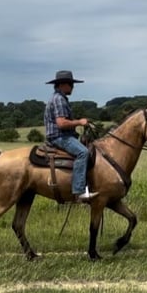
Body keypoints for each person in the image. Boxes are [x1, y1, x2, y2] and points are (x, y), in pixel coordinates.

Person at [44, 70, 99, 203]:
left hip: (63, 135)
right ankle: (79, 191)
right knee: (83, 152)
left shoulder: (59, 98)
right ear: (62, 85)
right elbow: (61, 123)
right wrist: (80, 122)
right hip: (59, 136)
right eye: (70, 84)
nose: (73, 87)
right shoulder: (59, 99)